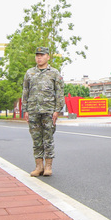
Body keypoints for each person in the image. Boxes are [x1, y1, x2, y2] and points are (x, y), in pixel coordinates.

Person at [23, 46, 65, 177]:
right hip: (33, 110)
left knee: (48, 139)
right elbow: (25, 92)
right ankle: (38, 166)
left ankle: (48, 166)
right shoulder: (29, 73)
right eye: (37, 55)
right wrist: (25, 110)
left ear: (48, 57)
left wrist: (57, 110)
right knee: (36, 139)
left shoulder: (54, 73)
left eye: (42, 55)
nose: (39, 57)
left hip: (48, 111)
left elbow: (59, 93)